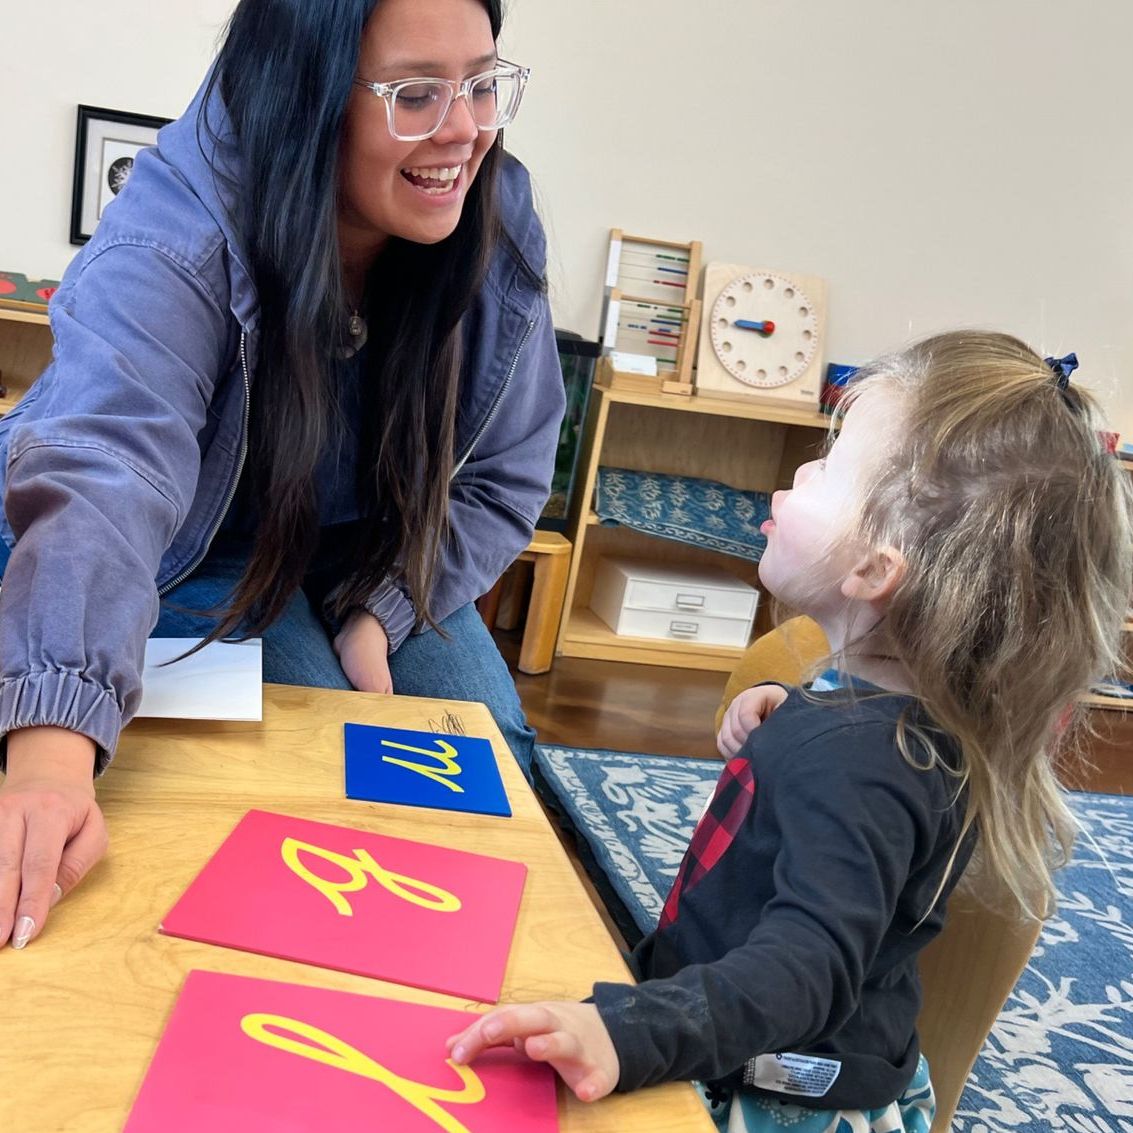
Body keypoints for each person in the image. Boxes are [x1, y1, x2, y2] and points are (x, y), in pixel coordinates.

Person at [447, 332, 1133, 1132]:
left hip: (770, 1087)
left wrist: (627, 1033)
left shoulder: (857, 764)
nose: (800, 472)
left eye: (831, 464)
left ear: (876, 570)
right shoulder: (893, 717)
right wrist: (789, 705)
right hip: (803, 1043)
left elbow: (802, 974)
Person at [0, 0, 564, 952]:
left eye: (480, 81)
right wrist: (51, 751)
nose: (464, 129)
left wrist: (383, 605)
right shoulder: (179, 224)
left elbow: (501, 481)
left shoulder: (496, 226)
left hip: (368, 547)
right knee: (329, 783)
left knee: (501, 787)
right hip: (196, 544)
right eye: (416, 94)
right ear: (306, 97)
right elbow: (107, 469)